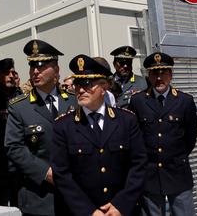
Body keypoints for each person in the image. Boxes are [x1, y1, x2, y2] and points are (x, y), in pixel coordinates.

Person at [51, 54, 147, 216]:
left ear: (104, 87)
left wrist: (120, 205)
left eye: (87, 84)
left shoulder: (127, 120)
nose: (80, 90)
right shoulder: (63, 126)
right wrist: (89, 211)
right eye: (77, 84)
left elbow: (139, 165)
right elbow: (62, 175)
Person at [5, 39, 77, 216]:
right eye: (32, 66)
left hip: (75, 195)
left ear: (56, 70)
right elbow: (14, 147)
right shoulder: (19, 107)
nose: (35, 71)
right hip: (38, 196)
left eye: (42, 66)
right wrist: (46, 172)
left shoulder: (75, 101)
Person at [128, 52, 197, 216]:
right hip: (150, 174)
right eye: (154, 73)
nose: (159, 78)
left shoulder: (184, 101)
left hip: (178, 172)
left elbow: (190, 138)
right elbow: (135, 137)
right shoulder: (138, 101)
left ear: (171, 75)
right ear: (149, 76)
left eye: (163, 73)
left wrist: (174, 156)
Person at [0, 58, 22, 205]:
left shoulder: (20, 95)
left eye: (12, 72)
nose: (10, 76)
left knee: (18, 198)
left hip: (17, 157)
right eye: (6, 73)